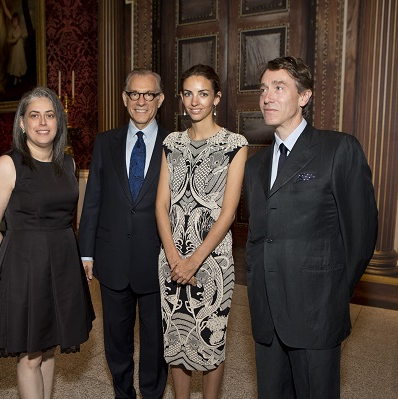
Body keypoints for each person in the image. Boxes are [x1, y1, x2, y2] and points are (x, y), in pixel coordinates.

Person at [244, 56, 378, 399]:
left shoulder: (338, 149)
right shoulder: (255, 164)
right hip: (266, 311)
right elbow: (260, 235)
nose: (267, 97)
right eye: (263, 89)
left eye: (279, 87)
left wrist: (331, 294)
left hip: (317, 311)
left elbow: (360, 237)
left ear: (305, 96)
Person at [0, 87, 95, 399]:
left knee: (49, 346)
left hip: (63, 266)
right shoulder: (8, 164)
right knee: (29, 353)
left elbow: (72, 220)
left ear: (59, 122)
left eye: (50, 115)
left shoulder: (69, 164)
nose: (43, 122)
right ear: (22, 123)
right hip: (25, 270)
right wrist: (12, 271)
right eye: (34, 115)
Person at [155, 64, 248, 398]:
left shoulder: (235, 144)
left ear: (217, 98)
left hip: (211, 261)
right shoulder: (171, 142)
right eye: (188, 93)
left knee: (211, 337)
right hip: (170, 257)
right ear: (181, 98)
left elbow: (228, 212)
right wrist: (173, 256)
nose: (195, 101)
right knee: (176, 339)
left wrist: (193, 261)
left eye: (203, 94)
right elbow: (160, 205)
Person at [78, 68, 169, 399]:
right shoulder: (105, 142)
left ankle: (152, 394)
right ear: (124, 98)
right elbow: (93, 201)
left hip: (158, 261)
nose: (140, 101)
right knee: (115, 340)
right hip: (112, 258)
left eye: (148, 94)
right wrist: (85, 252)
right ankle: (123, 394)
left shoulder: (176, 144)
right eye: (134, 94)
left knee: (155, 342)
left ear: (159, 99)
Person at [7, 12, 27, 86]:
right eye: (13, 22)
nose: (14, 23)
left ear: (18, 22)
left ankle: (17, 78)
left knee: (18, 62)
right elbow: (11, 39)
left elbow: (14, 40)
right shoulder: (13, 30)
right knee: (15, 62)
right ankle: (18, 78)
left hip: (19, 49)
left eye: (15, 21)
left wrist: (8, 40)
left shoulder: (19, 30)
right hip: (14, 49)